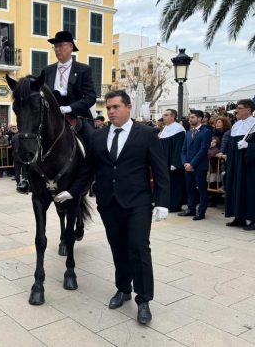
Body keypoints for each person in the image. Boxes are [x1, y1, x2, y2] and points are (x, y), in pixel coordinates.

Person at [87, 89, 169, 325]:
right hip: (108, 202)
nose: (111, 111)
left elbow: (161, 170)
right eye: (109, 107)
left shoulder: (147, 134)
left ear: (128, 107)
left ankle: (143, 299)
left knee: (139, 248)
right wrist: (71, 191)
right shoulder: (98, 136)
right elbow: (88, 169)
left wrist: (162, 202)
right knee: (118, 247)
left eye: (115, 107)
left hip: (138, 202)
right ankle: (123, 288)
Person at [16, 30, 96, 193]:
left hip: (76, 115)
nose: (57, 49)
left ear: (70, 47)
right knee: (28, 137)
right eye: (55, 47)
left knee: (92, 139)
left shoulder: (83, 69)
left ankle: (94, 179)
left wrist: (69, 108)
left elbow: (90, 97)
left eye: (59, 46)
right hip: (51, 116)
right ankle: (26, 178)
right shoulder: (48, 70)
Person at [224, 99, 255, 229]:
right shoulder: (236, 125)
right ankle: (239, 216)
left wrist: (250, 145)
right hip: (236, 162)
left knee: (250, 190)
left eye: (240, 107)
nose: (237, 110)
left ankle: (253, 219)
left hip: (250, 164)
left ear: (248, 110)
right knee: (236, 188)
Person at [178, 110, 212, 220]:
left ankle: (201, 211)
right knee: (190, 188)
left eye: (192, 117)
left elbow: (203, 150)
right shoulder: (188, 132)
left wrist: (192, 164)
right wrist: (184, 163)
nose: (190, 119)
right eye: (189, 117)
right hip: (187, 166)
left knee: (201, 189)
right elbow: (183, 149)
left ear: (200, 118)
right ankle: (191, 209)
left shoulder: (206, 132)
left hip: (199, 166)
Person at [159, 109, 186, 213]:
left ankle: (175, 205)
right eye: (163, 115)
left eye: (166, 115)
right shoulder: (165, 128)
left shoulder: (178, 129)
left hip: (173, 162)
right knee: (166, 183)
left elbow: (179, 147)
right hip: (164, 161)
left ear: (173, 116)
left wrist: (175, 162)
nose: (164, 117)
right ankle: (167, 203)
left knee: (175, 183)